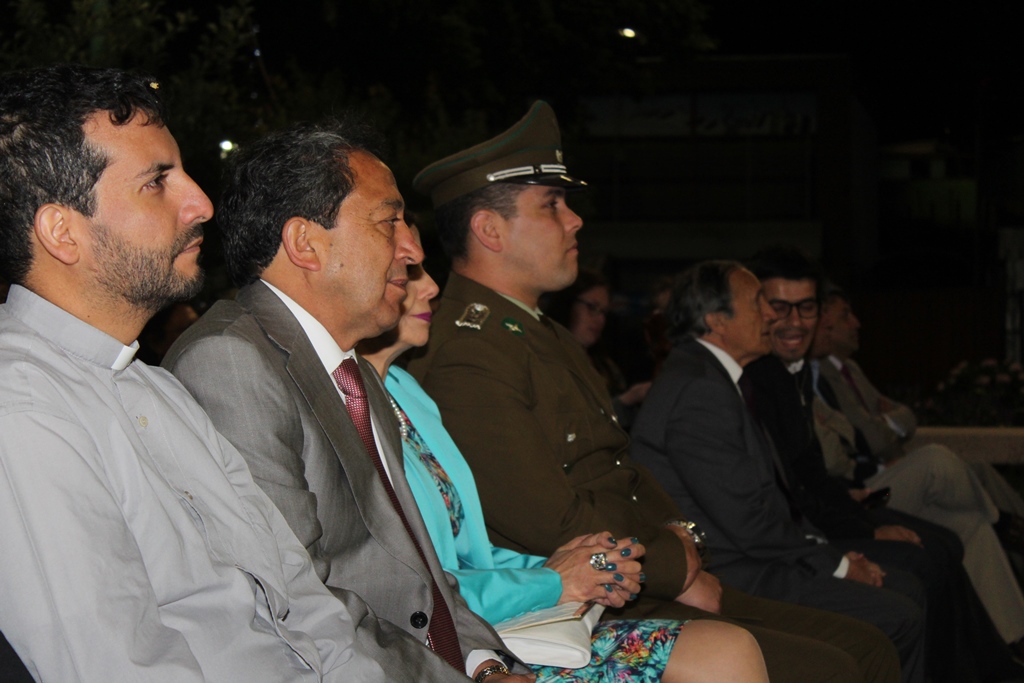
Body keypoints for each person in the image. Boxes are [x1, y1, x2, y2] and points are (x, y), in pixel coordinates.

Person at [406, 100, 901, 683]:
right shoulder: (468, 352)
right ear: (489, 230)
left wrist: (683, 542)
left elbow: (625, 467)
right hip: (592, 598)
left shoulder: (542, 333)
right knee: (841, 664)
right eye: (552, 206)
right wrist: (672, 567)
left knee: (867, 646)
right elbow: (548, 521)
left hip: (643, 572)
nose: (575, 221)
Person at [0, 63, 431, 682]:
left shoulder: (156, 390)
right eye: (157, 182)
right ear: (62, 232)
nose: (200, 203)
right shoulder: (23, 412)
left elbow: (305, 606)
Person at [163, 119, 531, 682]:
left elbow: (424, 574)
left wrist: (485, 664)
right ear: (305, 243)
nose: (413, 250)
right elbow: (295, 601)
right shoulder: (230, 362)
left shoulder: (349, 370)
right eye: (389, 222)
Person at [357, 244, 770, 683]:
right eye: (406, 274)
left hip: (486, 623)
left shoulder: (405, 391)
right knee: (731, 653)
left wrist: (590, 565)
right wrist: (554, 581)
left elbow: (473, 554)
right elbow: (398, 591)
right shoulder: (348, 407)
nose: (431, 288)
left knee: (727, 649)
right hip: (424, 646)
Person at [630, 260, 927, 683]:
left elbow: (768, 504)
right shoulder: (700, 390)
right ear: (716, 320)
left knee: (903, 592)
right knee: (897, 614)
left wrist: (831, 556)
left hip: (749, 557)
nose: (770, 314)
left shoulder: (709, 376)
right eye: (757, 303)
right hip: (731, 573)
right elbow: (749, 523)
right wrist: (837, 565)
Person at [742, 246, 1024, 683]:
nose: (795, 321)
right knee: (924, 558)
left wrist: (861, 517)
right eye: (780, 307)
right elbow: (795, 490)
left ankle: (992, 665)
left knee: (947, 541)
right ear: (755, 310)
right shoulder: (756, 378)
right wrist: (865, 529)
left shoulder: (790, 372)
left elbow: (814, 472)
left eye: (806, 307)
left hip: (833, 504)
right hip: (800, 535)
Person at [811, 282, 1024, 648]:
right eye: (842, 316)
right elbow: (857, 441)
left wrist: (882, 424)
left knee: (969, 522)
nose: (853, 324)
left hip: (876, 478)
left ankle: (1012, 639)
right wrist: (878, 427)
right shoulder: (797, 377)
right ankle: (1006, 521)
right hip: (859, 492)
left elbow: (902, 416)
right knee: (936, 459)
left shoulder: (845, 370)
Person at [543, 268, 652, 428]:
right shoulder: (546, 360)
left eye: (604, 312)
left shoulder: (604, 362)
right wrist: (625, 401)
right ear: (567, 304)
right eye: (592, 307)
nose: (600, 319)